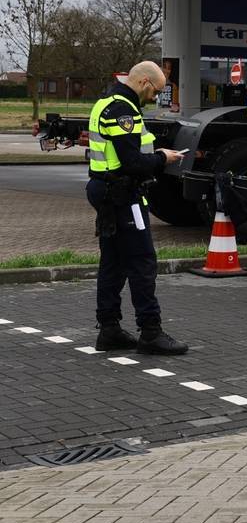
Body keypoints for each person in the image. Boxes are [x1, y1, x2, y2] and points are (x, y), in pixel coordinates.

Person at [86, 61, 189, 355]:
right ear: (144, 82)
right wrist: (161, 158)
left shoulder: (105, 102)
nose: (155, 97)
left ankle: (109, 330)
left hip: (106, 191)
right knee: (143, 262)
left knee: (113, 263)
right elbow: (132, 162)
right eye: (155, 91)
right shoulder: (124, 110)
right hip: (122, 195)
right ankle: (151, 332)